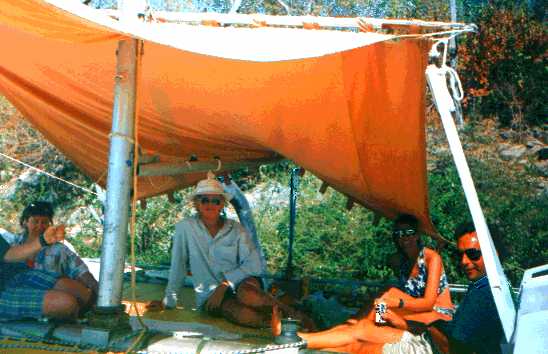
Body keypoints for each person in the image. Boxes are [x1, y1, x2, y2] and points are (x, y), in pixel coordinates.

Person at [274, 221, 506, 354]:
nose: (464, 261)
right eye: (399, 234)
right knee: (376, 307)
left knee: (377, 313)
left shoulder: (432, 257)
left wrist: (399, 306)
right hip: (417, 320)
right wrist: (393, 309)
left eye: (409, 233)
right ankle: (304, 337)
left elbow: (428, 303)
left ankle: (300, 337)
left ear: (418, 235)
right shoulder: (401, 261)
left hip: (431, 316)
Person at [156, 172, 311, 328]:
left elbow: (254, 265)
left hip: (242, 284)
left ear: (222, 204)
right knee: (243, 314)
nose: (210, 204)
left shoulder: (236, 229)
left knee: (247, 294)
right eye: (204, 200)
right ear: (196, 204)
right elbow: (178, 265)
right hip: (210, 294)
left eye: (216, 201)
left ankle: (297, 316)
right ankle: (282, 326)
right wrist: (168, 301)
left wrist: (225, 284)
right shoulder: (185, 228)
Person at [5, 201, 98, 300]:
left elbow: (81, 271)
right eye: (35, 221)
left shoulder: (59, 250)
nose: (40, 226)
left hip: (50, 302)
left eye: (44, 222)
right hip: (15, 299)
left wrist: (99, 293)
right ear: (25, 222)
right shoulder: (11, 245)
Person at [0, 223, 93, 321]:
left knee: (79, 291)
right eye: (36, 221)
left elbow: (8, 254)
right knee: (66, 303)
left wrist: (43, 240)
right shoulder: (16, 239)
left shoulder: (59, 248)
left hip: (11, 275)